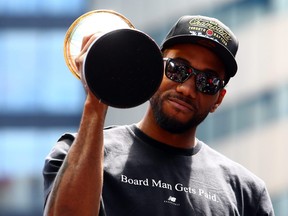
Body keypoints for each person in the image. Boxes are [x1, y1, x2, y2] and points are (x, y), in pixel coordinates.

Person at [43, 15, 275, 215]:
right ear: (155, 68)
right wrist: (97, 99)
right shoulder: (75, 152)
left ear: (219, 99)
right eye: (177, 69)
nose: (187, 88)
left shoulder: (246, 192)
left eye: (208, 81)